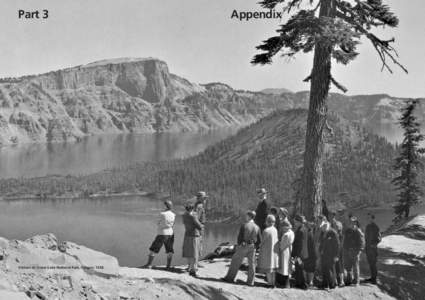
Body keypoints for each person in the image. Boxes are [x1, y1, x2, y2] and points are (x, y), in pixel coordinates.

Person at [222, 211, 262, 286]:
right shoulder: (257, 227)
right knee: (252, 264)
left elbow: (240, 237)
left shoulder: (244, 225)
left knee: (235, 261)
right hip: (252, 246)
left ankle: (229, 278)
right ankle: (250, 282)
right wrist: (256, 246)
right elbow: (260, 240)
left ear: (250, 216)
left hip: (244, 245)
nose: (245, 217)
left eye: (247, 216)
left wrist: (239, 244)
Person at [143, 200, 176, 269]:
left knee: (153, 249)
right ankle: (168, 266)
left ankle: (148, 264)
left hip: (162, 233)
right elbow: (173, 224)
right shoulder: (173, 214)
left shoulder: (162, 214)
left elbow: (158, 223)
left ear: (165, 206)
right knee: (170, 250)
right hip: (170, 233)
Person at [291, 214, 316, 289]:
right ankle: (299, 283)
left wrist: (297, 255)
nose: (294, 223)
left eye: (295, 221)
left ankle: (303, 284)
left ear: (299, 222)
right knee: (299, 268)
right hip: (303, 254)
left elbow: (300, 245)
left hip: (300, 254)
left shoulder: (300, 231)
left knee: (300, 268)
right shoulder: (304, 229)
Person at [182, 201, 204, 277]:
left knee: (189, 252)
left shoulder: (184, 215)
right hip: (194, 235)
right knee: (194, 253)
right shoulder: (193, 216)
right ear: (192, 208)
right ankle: (193, 270)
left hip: (187, 235)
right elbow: (199, 226)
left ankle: (189, 267)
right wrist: (202, 225)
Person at [258, 214, 279, 287]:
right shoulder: (275, 230)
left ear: (267, 221)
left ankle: (270, 283)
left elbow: (262, 241)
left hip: (267, 251)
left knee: (268, 267)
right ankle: (273, 283)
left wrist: (259, 246)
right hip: (274, 251)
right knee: (273, 268)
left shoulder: (266, 230)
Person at [343, 217, 365, 286]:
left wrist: (359, 251)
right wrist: (345, 249)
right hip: (347, 251)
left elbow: (362, 242)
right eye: (350, 222)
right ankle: (349, 280)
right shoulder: (348, 230)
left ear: (355, 222)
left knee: (355, 266)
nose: (351, 223)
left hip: (355, 251)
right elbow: (345, 241)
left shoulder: (358, 231)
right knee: (348, 266)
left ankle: (356, 281)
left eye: (353, 222)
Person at [319, 223, 340, 290]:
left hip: (331, 255)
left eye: (324, 226)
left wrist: (336, 255)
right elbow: (321, 243)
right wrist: (320, 250)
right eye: (322, 227)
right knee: (324, 269)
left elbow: (337, 245)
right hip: (324, 255)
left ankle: (332, 284)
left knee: (330, 270)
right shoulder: (323, 233)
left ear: (327, 226)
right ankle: (325, 284)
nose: (322, 228)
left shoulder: (333, 232)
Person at [329, 210, 345, 287]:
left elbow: (338, 233)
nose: (331, 217)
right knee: (333, 265)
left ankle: (341, 281)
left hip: (338, 247)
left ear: (334, 216)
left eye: (332, 215)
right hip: (331, 246)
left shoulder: (338, 224)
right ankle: (334, 281)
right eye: (330, 216)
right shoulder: (329, 224)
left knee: (340, 264)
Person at [277, 219, 294, 288]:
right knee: (287, 267)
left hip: (284, 251)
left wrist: (279, 244)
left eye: (283, 227)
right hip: (289, 250)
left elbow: (282, 246)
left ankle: (285, 284)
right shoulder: (292, 233)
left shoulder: (286, 235)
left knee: (284, 267)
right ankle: (285, 283)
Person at [365, 213, 381, 284]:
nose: (368, 219)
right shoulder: (368, 226)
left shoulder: (375, 227)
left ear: (373, 219)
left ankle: (374, 279)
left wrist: (373, 245)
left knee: (373, 264)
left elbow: (379, 238)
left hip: (373, 250)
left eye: (370, 218)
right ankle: (372, 277)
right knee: (370, 263)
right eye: (368, 218)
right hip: (368, 249)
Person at [194, 191, 208, 259]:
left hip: (199, 226)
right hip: (199, 227)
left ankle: (196, 261)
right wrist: (200, 226)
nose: (205, 199)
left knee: (199, 243)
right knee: (199, 243)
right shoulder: (199, 206)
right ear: (199, 198)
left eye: (205, 198)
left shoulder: (199, 205)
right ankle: (197, 261)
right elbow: (196, 218)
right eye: (204, 198)